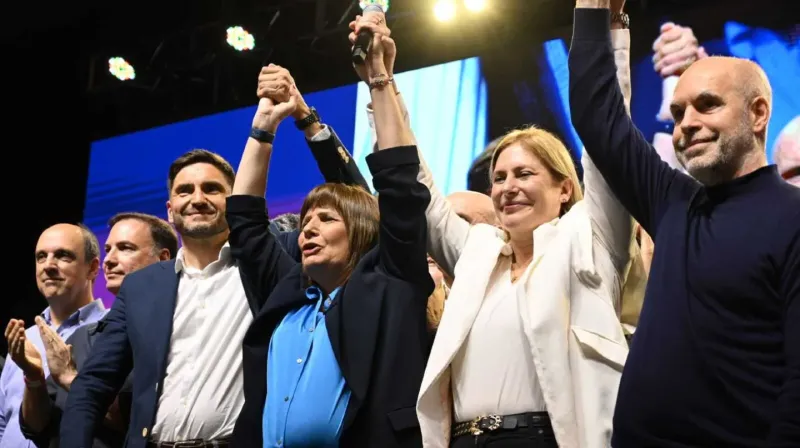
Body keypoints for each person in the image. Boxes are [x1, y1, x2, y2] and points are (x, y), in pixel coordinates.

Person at [352, 11, 635, 448]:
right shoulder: (478, 254)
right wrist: (380, 79)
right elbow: (416, 185)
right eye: (499, 178)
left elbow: (609, 148)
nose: (507, 188)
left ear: (564, 189)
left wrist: (609, 29)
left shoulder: (588, 242)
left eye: (524, 174)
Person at [60, 75, 372, 448]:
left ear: (236, 198)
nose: (197, 198)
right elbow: (93, 384)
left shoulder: (280, 257)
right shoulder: (142, 286)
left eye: (212, 189)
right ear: (169, 208)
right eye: (184, 190)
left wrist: (308, 121)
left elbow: (357, 208)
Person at [568, 1, 800, 446]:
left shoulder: (793, 219)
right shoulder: (672, 201)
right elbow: (598, 117)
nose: (687, 125)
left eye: (707, 105)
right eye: (678, 113)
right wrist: (596, 12)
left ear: (758, 114)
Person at [226, 31, 433, 447]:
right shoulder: (287, 293)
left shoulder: (389, 282)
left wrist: (378, 78)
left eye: (326, 218)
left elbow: (399, 186)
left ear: (360, 230)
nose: (309, 229)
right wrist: (264, 125)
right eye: (305, 222)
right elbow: (246, 225)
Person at [19, 212, 178, 448]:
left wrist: (71, 379)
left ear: (164, 259)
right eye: (108, 248)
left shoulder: (174, 334)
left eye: (125, 248)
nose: (108, 260)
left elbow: (146, 424)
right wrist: (34, 380)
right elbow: (39, 427)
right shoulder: (81, 337)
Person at [1, 224, 107, 448]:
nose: (48, 265)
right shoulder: (24, 338)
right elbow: (3, 420)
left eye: (62, 256)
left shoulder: (111, 332)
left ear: (93, 267)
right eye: (41, 257)